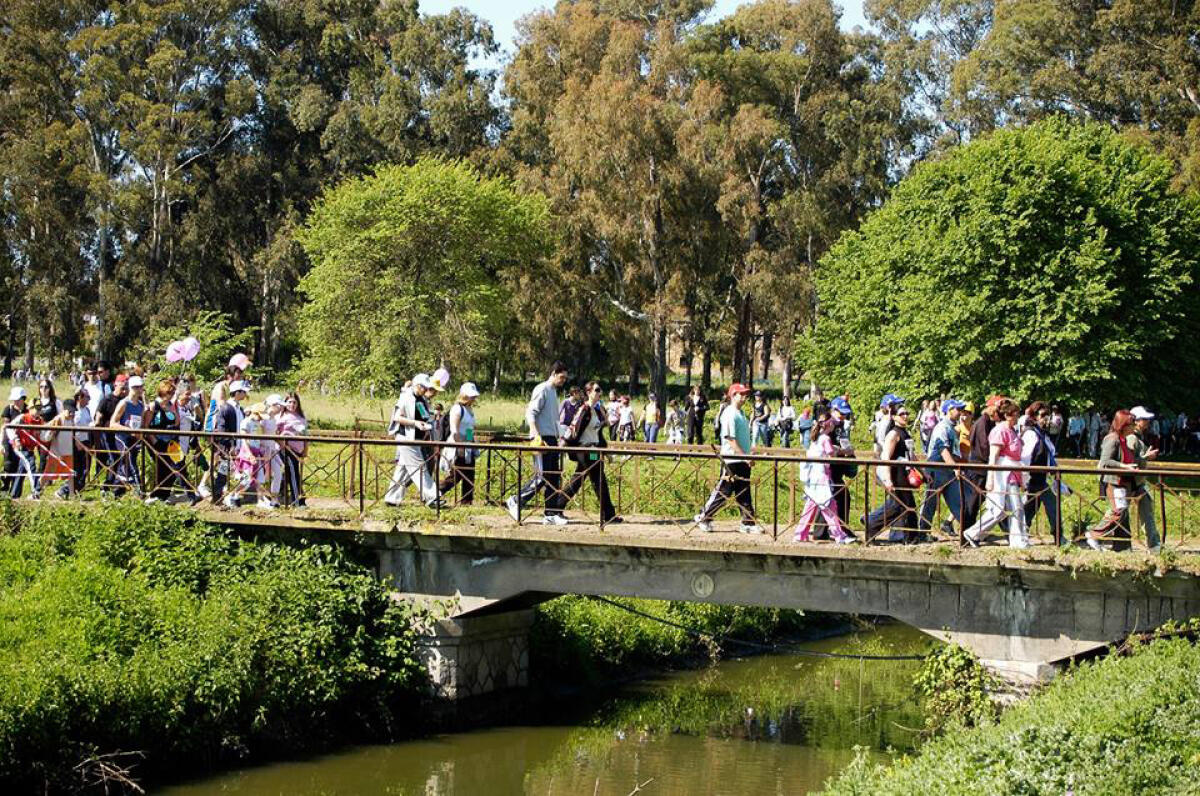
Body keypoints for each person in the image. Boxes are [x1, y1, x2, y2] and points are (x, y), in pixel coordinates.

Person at [506, 362, 569, 525]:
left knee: (554, 477)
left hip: (552, 438)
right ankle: (516, 500)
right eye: (562, 377)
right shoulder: (543, 389)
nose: (563, 380)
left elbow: (552, 418)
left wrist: (560, 436)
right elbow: (531, 412)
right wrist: (535, 434)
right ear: (553, 373)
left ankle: (550, 513)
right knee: (542, 476)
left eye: (565, 378)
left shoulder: (553, 392)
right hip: (542, 439)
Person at [964, 398, 1031, 549]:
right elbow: (993, 456)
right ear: (1007, 415)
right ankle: (1018, 540)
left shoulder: (1012, 430)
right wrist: (991, 478)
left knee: (1002, 510)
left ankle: (973, 533)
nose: (1018, 417)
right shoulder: (1000, 431)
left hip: (1012, 473)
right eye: (1015, 414)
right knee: (1014, 508)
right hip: (1004, 475)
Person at [694, 383, 760, 534]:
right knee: (724, 491)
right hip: (732, 459)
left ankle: (748, 522)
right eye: (741, 394)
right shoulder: (730, 413)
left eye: (745, 394)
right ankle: (705, 517)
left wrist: (747, 455)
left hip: (741, 459)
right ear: (733, 395)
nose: (744, 397)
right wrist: (745, 457)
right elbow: (730, 439)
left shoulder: (741, 413)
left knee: (743, 491)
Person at [562, 380, 620, 523]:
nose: (600, 393)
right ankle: (608, 515)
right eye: (597, 390)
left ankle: (557, 505)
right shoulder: (584, 409)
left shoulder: (597, 410)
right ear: (589, 392)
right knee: (598, 480)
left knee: (581, 480)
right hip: (585, 451)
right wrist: (563, 445)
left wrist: (606, 452)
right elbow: (573, 427)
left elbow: (598, 435)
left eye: (600, 390)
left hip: (593, 451)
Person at [384, 373, 441, 508]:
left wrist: (430, 420)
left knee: (403, 470)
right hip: (406, 437)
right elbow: (397, 417)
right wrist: (415, 423)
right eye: (424, 387)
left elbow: (423, 415)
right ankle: (432, 497)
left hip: (417, 437)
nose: (426, 390)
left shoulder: (421, 399)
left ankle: (392, 498)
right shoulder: (406, 397)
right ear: (418, 385)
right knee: (419, 467)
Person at [863, 402, 918, 543]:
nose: (905, 416)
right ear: (893, 417)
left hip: (905, 473)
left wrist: (923, 472)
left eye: (906, 413)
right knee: (900, 505)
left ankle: (911, 537)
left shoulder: (906, 433)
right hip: (896, 474)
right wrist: (888, 480)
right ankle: (871, 523)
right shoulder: (893, 434)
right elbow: (886, 457)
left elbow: (912, 455)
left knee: (904, 505)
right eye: (901, 414)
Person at [794, 419, 855, 543]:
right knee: (830, 507)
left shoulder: (815, 438)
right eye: (832, 422)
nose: (834, 424)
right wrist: (844, 451)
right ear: (828, 424)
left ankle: (800, 534)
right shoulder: (825, 438)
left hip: (813, 477)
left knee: (810, 508)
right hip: (822, 477)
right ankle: (840, 536)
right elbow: (831, 455)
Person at [918, 399, 967, 537]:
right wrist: (955, 468)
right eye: (958, 409)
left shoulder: (952, 427)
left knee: (958, 501)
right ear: (949, 410)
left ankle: (967, 533)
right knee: (930, 503)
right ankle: (923, 533)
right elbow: (943, 450)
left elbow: (954, 451)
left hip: (947, 469)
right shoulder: (942, 427)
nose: (960, 412)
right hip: (936, 468)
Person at [1021, 402, 1062, 541]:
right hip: (1033, 479)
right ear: (1034, 417)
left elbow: (1049, 455)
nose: (1046, 418)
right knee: (1047, 505)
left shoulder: (1041, 434)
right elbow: (1025, 458)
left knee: (1033, 507)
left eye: (1047, 415)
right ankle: (1058, 537)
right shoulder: (1031, 434)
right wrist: (1024, 480)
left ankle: (1020, 531)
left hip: (1040, 479)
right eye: (1043, 415)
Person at [961, 397, 1000, 527]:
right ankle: (966, 530)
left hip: (981, 468)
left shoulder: (986, 422)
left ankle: (970, 529)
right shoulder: (982, 423)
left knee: (977, 502)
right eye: (998, 410)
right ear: (992, 409)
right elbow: (984, 447)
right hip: (978, 469)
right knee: (973, 502)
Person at [438, 382, 480, 505]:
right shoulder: (457, 409)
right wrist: (460, 446)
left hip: (468, 445)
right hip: (457, 445)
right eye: (471, 396)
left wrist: (471, 443)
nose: (473, 398)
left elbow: (469, 429)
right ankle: (436, 492)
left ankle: (467, 501)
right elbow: (454, 430)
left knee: (469, 473)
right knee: (456, 474)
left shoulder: (469, 409)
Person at [144, 380, 181, 502]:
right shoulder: (154, 405)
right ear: (163, 392)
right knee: (161, 466)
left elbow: (176, 422)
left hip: (170, 441)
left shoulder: (171, 405)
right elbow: (146, 426)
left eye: (173, 393)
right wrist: (154, 441)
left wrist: (174, 408)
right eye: (169, 392)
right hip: (156, 440)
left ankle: (165, 494)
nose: (171, 395)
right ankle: (156, 494)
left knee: (173, 467)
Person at [212, 379, 248, 504]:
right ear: (237, 392)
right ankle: (219, 497)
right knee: (224, 473)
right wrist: (229, 446)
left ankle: (229, 496)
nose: (245, 394)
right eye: (243, 392)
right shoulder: (226, 408)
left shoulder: (240, 409)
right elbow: (221, 429)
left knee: (238, 474)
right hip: (228, 448)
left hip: (239, 447)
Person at [110, 375, 147, 494]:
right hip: (122, 438)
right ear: (131, 388)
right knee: (130, 461)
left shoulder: (141, 405)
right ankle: (139, 490)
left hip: (134, 439)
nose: (140, 389)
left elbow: (141, 423)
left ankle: (116, 491)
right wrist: (128, 430)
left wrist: (139, 432)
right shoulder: (124, 403)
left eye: (141, 387)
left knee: (125, 465)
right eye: (137, 387)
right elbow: (112, 423)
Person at [276, 392, 308, 508]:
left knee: (290, 473)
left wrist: (305, 449)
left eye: (294, 402)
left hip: (298, 450)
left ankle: (281, 493)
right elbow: (275, 433)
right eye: (289, 402)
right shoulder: (281, 417)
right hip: (286, 450)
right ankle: (297, 501)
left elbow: (306, 435)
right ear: (285, 403)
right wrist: (283, 444)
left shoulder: (301, 418)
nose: (292, 405)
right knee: (294, 473)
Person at [2, 387, 29, 496]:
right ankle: (4, 489)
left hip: (22, 442)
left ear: (23, 398)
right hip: (9, 441)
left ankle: (15, 494)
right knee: (8, 465)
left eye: (17, 399)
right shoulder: (8, 409)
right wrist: (1, 443)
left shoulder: (28, 410)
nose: (15, 402)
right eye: (14, 400)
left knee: (19, 467)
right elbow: (5, 427)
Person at [71, 387, 92, 494]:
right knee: (77, 468)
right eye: (87, 397)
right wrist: (76, 442)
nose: (89, 399)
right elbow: (70, 428)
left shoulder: (87, 410)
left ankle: (79, 489)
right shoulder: (73, 411)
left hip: (86, 441)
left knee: (86, 467)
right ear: (80, 398)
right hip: (76, 443)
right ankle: (67, 489)